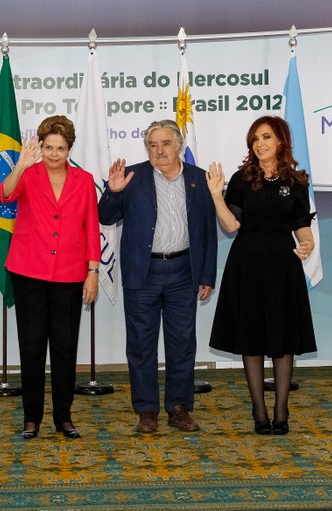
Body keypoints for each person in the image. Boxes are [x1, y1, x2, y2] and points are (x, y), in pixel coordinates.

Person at [99, 119, 218, 434]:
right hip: (143, 273)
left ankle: (179, 409)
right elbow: (105, 217)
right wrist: (112, 192)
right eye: (153, 145)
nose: (159, 150)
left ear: (178, 146)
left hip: (183, 272)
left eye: (165, 143)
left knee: (182, 343)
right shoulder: (132, 178)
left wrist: (207, 274)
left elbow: (207, 230)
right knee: (140, 344)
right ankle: (146, 411)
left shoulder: (199, 178)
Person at [206, 115, 317, 436]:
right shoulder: (242, 179)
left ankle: (281, 409)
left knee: (283, 341)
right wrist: (216, 194)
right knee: (251, 339)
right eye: (255, 139)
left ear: (280, 141)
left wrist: (307, 244)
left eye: (266, 137)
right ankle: (258, 409)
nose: (260, 143)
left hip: (283, 267)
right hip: (247, 266)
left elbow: (301, 225)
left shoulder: (296, 181)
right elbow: (231, 225)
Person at [0, 115, 100, 440]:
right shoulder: (28, 173)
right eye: (48, 147)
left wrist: (93, 272)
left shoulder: (84, 180)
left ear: (69, 148)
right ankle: (31, 418)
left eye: (61, 148)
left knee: (65, 348)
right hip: (28, 272)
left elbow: (92, 229)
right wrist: (20, 166)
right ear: (40, 147)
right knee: (31, 346)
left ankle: (64, 417)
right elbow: (3, 196)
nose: (54, 154)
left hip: (70, 274)